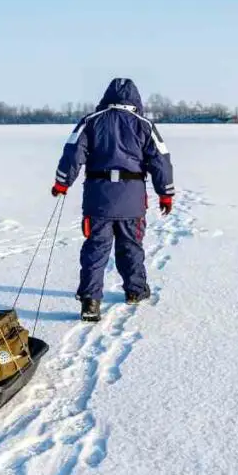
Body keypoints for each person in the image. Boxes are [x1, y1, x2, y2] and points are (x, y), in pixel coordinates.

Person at [51, 78, 175, 321]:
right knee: (131, 246)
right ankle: (135, 291)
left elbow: (73, 153)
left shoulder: (91, 122)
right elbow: (161, 161)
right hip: (132, 200)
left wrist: (62, 182)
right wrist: (165, 194)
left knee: (96, 249)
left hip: (98, 199)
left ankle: (90, 302)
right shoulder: (144, 124)